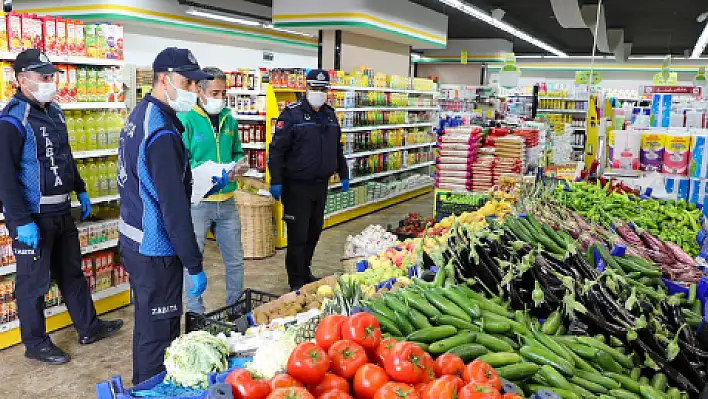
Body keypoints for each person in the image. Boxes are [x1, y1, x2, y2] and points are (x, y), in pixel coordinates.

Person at [0, 49, 123, 365]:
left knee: (72, 272)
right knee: (33, 283)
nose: (50, 82)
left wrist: (80, 189)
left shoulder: (54, 111)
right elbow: (4, 176)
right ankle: (36, 343)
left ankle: (89, 327)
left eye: (51, 76)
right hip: (33, 217)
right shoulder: (13, 119)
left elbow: (64, 156)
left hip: (60, 211)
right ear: (22, 80)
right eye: (44, 77)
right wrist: (19, 220)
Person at [117, 47, 225, 384]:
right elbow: (173, 209)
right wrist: (193, 264)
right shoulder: (162, 133)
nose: (193, 90)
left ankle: (144, 385)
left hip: (135, 238)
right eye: (187, 82)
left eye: (196, 84)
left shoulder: (141, 115)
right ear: (164, 79)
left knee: (148, 326)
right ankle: (149, 388)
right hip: (155, 248)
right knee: (159, 335)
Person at [268, 69, 350, 291]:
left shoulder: (330, 115)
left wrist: (343, 172)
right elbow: (276, 151)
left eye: (323, 89)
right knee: (298, 235)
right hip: (296, 186)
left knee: (314, 231)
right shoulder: (291, 115)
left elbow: (337, 148)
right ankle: (296, 281)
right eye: (315, 88)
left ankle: (305, 271)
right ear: (306, 88)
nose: (319, 93)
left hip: (320, 185)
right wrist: (276, 180)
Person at [179, 67, 247, 314]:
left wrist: (241, 163)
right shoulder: (186, 120)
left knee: (235, 260)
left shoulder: (229, 118)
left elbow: (237, 152)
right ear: (200, 91)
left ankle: (236, 307)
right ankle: (195, 312)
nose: (220, 98)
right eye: (215, 92)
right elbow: (183, 161)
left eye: (223, 93)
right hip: (199, 203)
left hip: (227, 201)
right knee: (193, 260)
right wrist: (207, 170)